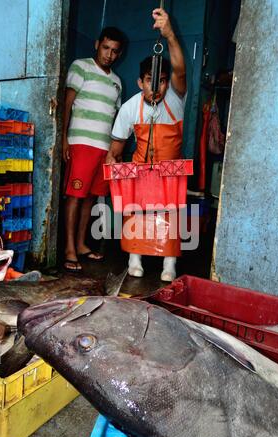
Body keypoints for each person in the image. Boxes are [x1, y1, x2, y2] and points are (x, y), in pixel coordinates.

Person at [106, 8, 187, 282]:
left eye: (162, 81)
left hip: (170, 173)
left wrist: (170, 35)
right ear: (141, 82)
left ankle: (169, 265)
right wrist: (113, 169)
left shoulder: (176, 99)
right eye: (151, 81)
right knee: (137, 213)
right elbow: (115, 149)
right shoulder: (129, 108)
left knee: (171, 217)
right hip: (140, 171)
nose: (157, 87)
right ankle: (135, 258)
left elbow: (179, 68)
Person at [63, 27, 126, 272]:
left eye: (114, 51)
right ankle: (69, 249)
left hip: (104, 147)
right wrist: (64, 139)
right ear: (97, 44)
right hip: (81, 142)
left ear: (119, 54)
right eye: (106, 48)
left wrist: (114, 150)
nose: (109, 55)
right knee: (75, 196)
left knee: (90, 197)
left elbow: (115, 117)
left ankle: (80, 245)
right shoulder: (81, 67)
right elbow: (67, 104)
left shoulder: (117, 82)